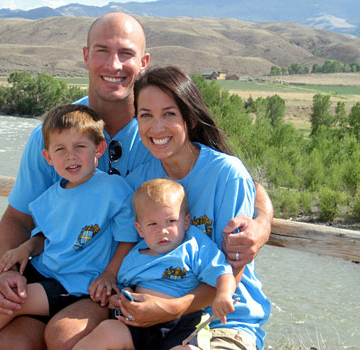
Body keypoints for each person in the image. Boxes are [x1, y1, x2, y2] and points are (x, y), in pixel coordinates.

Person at [0, 12, 273, 350]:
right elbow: (18, 217)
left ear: (143, 61)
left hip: (184, 302)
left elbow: (236, 179)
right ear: (85, 56)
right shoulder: (57, 133)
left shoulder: (157, 138)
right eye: (102, 51)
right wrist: (10, 273)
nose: (114, 64)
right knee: (10, 341)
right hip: (92, 283)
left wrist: (263, 220)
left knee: (66, 336)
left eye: (125, 53)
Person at [0, 104, 139, 350]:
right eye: (60, 149)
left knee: (11, 303)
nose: (71, 156)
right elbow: (48, 236)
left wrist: (109, 274)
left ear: (99, 148)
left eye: (80, 147)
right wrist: (27, 247)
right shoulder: (51, 196)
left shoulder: (114, 190)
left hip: (76, 284)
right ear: (48, 157)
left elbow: (127, 237)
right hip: (45, 271)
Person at [113, 65, 270, 350]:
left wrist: (171, 308)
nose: (157, 127)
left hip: (226, 318)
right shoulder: (139, 182)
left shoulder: (225, 174)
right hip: (155, 319)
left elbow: (231, 269)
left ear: (190, 117)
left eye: (169, 114)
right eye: (146, 115)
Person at [75, 178, 237, 350]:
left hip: (183, 324)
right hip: (139, 325)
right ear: (140, 229)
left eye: (171, 221)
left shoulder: (194, 246)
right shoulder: (134, 256)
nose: (163, 230)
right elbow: (127, 287)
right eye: (153, 224)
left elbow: (223, 272)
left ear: (186, 221)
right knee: (107, 331)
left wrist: (224, 295)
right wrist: (120, 299)